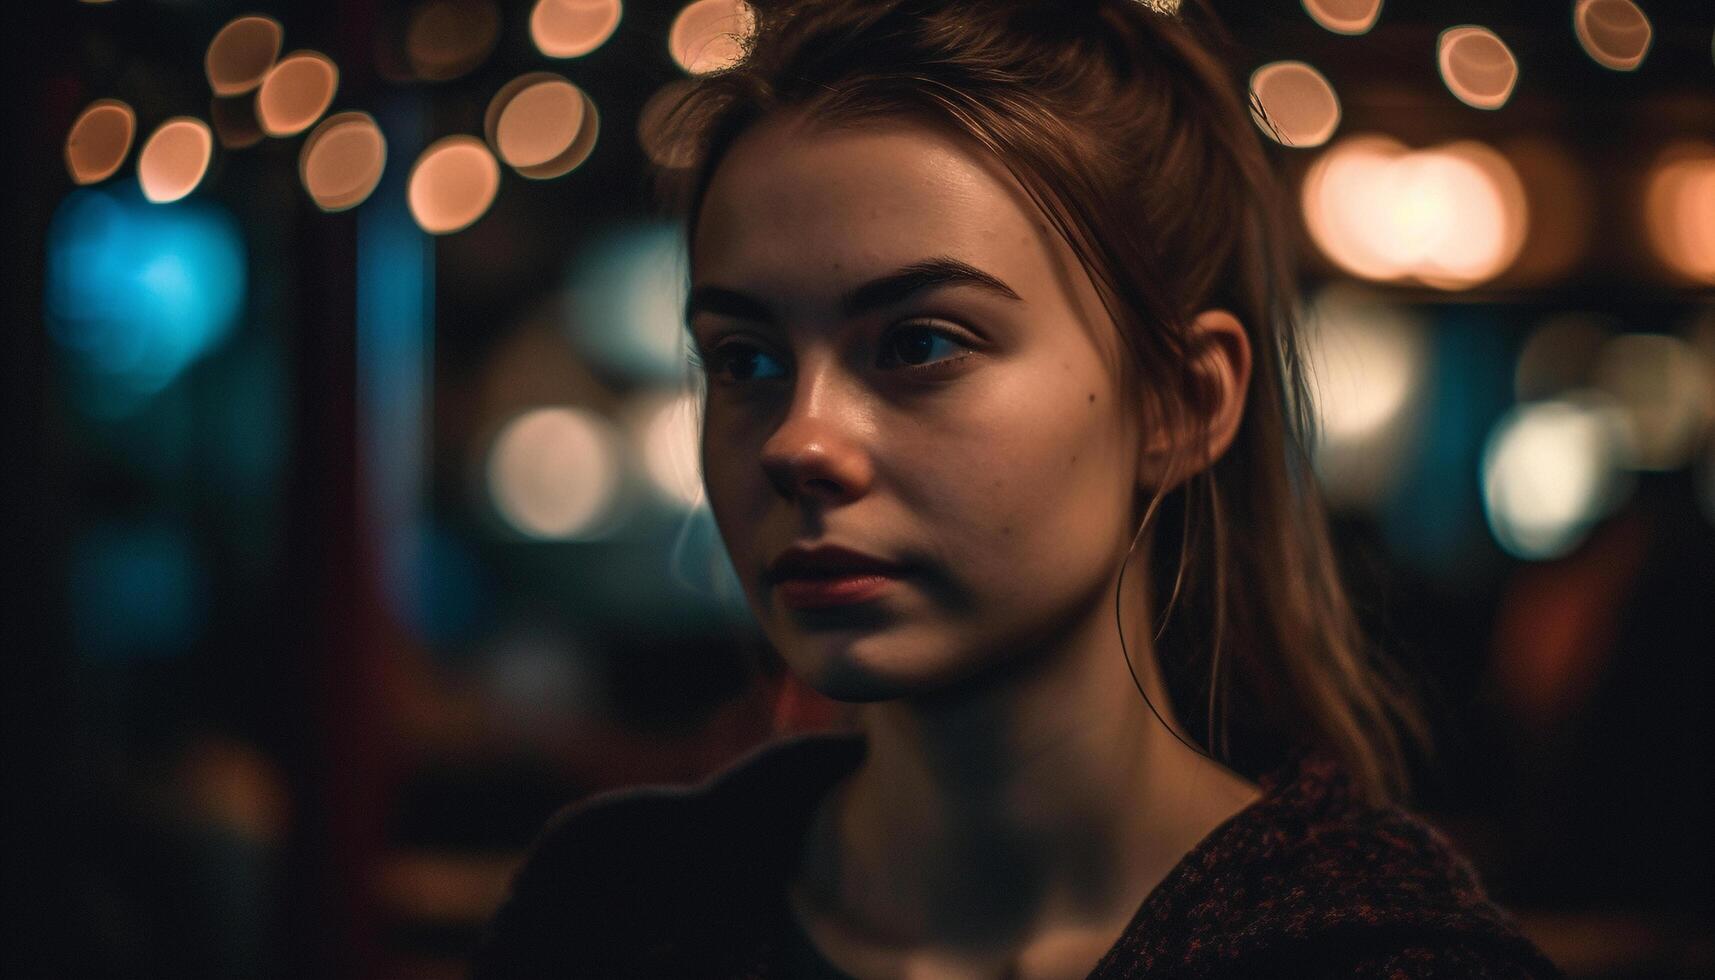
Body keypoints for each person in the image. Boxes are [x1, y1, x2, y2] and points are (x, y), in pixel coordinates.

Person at [472, 0, 1562, 976]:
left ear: (1181, 402)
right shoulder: (613, 913)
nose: (798, 442)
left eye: (919, 343)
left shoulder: (1376, 954)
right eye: (743, 358)